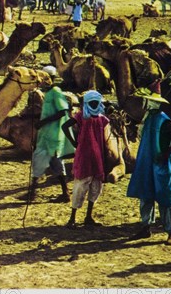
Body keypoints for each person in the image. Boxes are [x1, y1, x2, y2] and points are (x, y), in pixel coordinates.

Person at [127, 83, 171, 245]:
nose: (144, 104)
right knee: (146, 195)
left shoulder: (163, 120)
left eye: (146, 101)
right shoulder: (149, 119)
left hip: (161, 165)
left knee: (166, 199)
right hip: (148, 163)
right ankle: (146, 227)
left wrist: (166, 153)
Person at [62, 91, 111, 228]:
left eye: (97, 102)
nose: (95, 105)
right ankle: (72, 218)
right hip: (84, 155)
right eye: (92, 102)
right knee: (80, 186)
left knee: (96, 186)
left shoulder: (102, 118)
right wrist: (74, 143)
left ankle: (88, 216)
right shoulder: (81, 116)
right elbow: (65, 126)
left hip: (98, 156)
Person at [25, 66, 71, 203]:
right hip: (46, 135)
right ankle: (34, 193)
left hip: (53, 135)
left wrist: (43, 122)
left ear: (51, 78)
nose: (42, 80)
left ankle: (34, 193)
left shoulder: (56, 92)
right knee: (46, 162)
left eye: (45, 78)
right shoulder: (48, 93)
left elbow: (63, 111)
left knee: (48, 161)